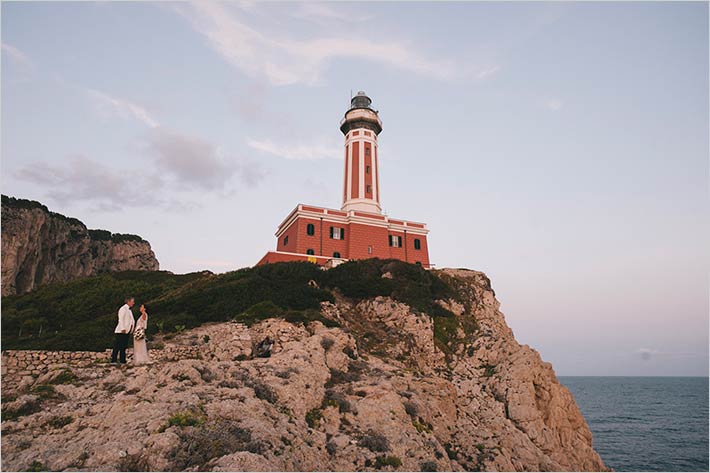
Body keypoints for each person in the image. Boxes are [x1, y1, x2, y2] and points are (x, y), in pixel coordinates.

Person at [111, 296, 135, 364]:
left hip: (127, 331)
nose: (133, 303)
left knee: (123, 346)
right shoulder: (123, 309)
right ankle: (114, 360)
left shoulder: (129, 310)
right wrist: (123, 328)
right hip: (121, 331)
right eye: (132, 301)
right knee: (117, 345)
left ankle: (122, 360)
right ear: (128, 301)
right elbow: (120, 319)